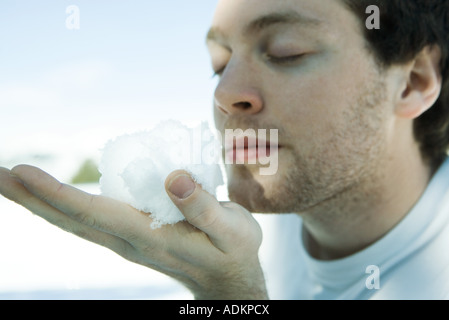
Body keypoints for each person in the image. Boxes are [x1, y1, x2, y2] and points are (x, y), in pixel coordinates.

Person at [1, 0, 449, 300]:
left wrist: (233, 296)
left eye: (285, 52)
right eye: (219, 64)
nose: (226, 92)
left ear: (412, 82)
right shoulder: (259, 231)